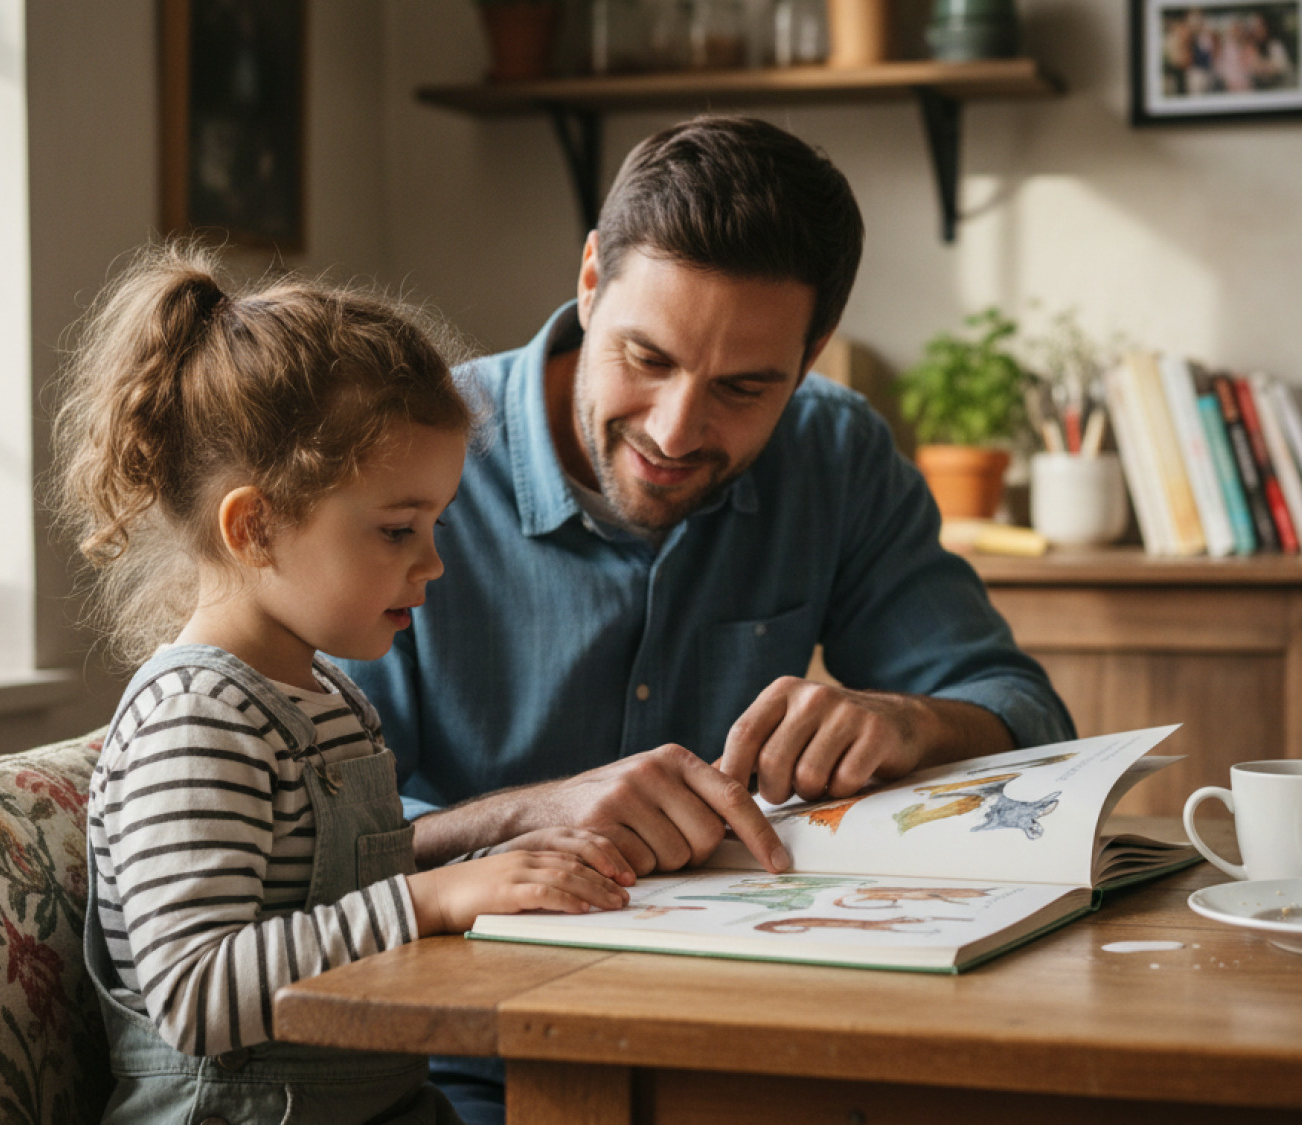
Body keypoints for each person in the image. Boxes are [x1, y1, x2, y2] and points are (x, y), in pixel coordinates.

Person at [341, 115, 1074, 1122]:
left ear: (811, 356)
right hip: (465, 1064)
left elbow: (1026, 716)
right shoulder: (408, 467)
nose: (675, 431)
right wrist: (531, 815)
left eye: (742, 387)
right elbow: (313, 851)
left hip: (764, 1047)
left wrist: (911, 722)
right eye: (646, 360)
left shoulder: (835, 455)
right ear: (590, 279)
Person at [53, 243, 633, 1125]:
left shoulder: (320, 696)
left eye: (437, 522)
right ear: (255, 527)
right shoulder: (196, 722)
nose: (434, 562)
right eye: (398, 529)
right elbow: (197, 990)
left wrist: (495, 870)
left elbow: (327, 895)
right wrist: (430, 899)